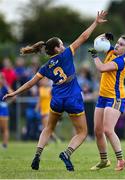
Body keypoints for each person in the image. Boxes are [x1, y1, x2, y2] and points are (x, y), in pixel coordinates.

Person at [3, 10, 107, 171]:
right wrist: (95, 22)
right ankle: (66, 153)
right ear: (58, 48)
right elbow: (84, 37)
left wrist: (14, 93)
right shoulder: (66, 54)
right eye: (61, 44)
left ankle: (37, 154)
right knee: (82, 132)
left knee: (48, 128)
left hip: (57, 99)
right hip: (73, 98)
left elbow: (31, 83)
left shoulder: (45, 67)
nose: (63, 45)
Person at [88, 33, 125, 171]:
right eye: (117, 42)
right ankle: (104, 160)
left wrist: (94, 56)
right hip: (102, 97)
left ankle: (121, 161)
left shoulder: (122, 61)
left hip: (115, 98)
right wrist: (104, 35)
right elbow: (98, 42)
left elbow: (101, 68)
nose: (117, 45)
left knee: (108, 130)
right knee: (97, 131)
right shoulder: (112, 50)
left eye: (121, 44)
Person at [0, 73, 13, 148]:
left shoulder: (5, 87)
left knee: (4, 128)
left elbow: (13, 95)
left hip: (3, 109)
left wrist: (7, 103)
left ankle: (5, 144)